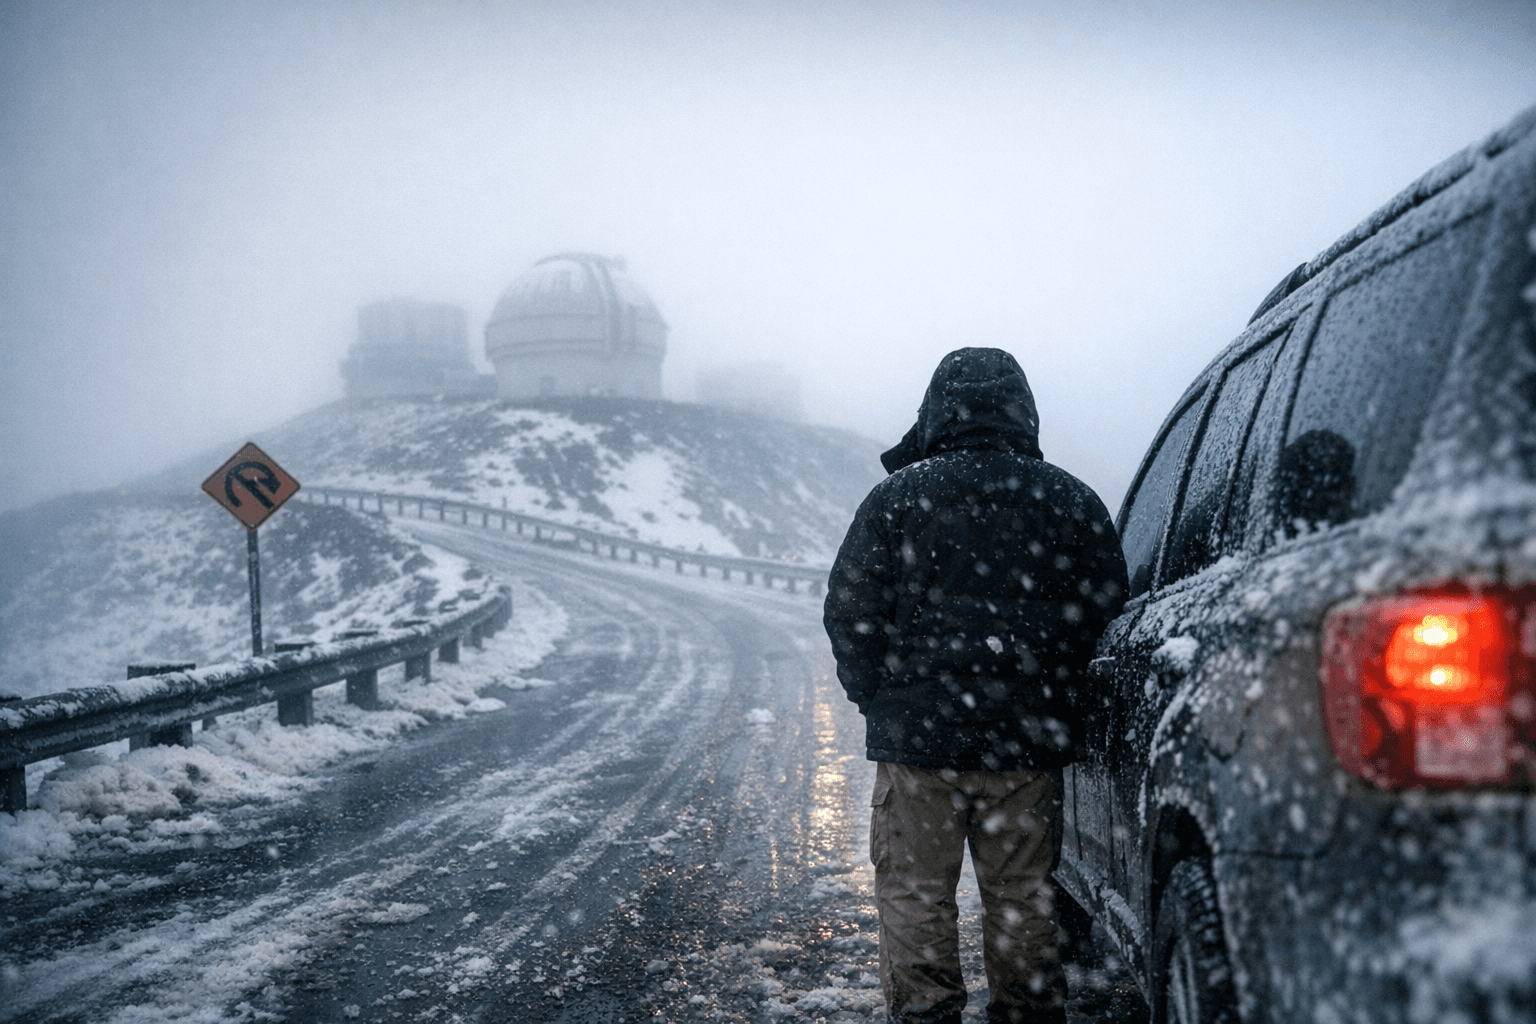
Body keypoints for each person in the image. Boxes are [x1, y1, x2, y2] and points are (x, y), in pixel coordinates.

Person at [824, 348, 1128, 1024]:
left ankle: (927, 1014)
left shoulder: (898, 498)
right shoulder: (1070, 500)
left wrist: (880, 697)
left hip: (920, 745)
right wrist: (1051, 693)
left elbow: (850, 609)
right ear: (1024, 408)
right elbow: (1105, 614)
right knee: (1022, 893)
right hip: (1024, 747)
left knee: (914, 892)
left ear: (936, 409)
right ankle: (1027, 1013)